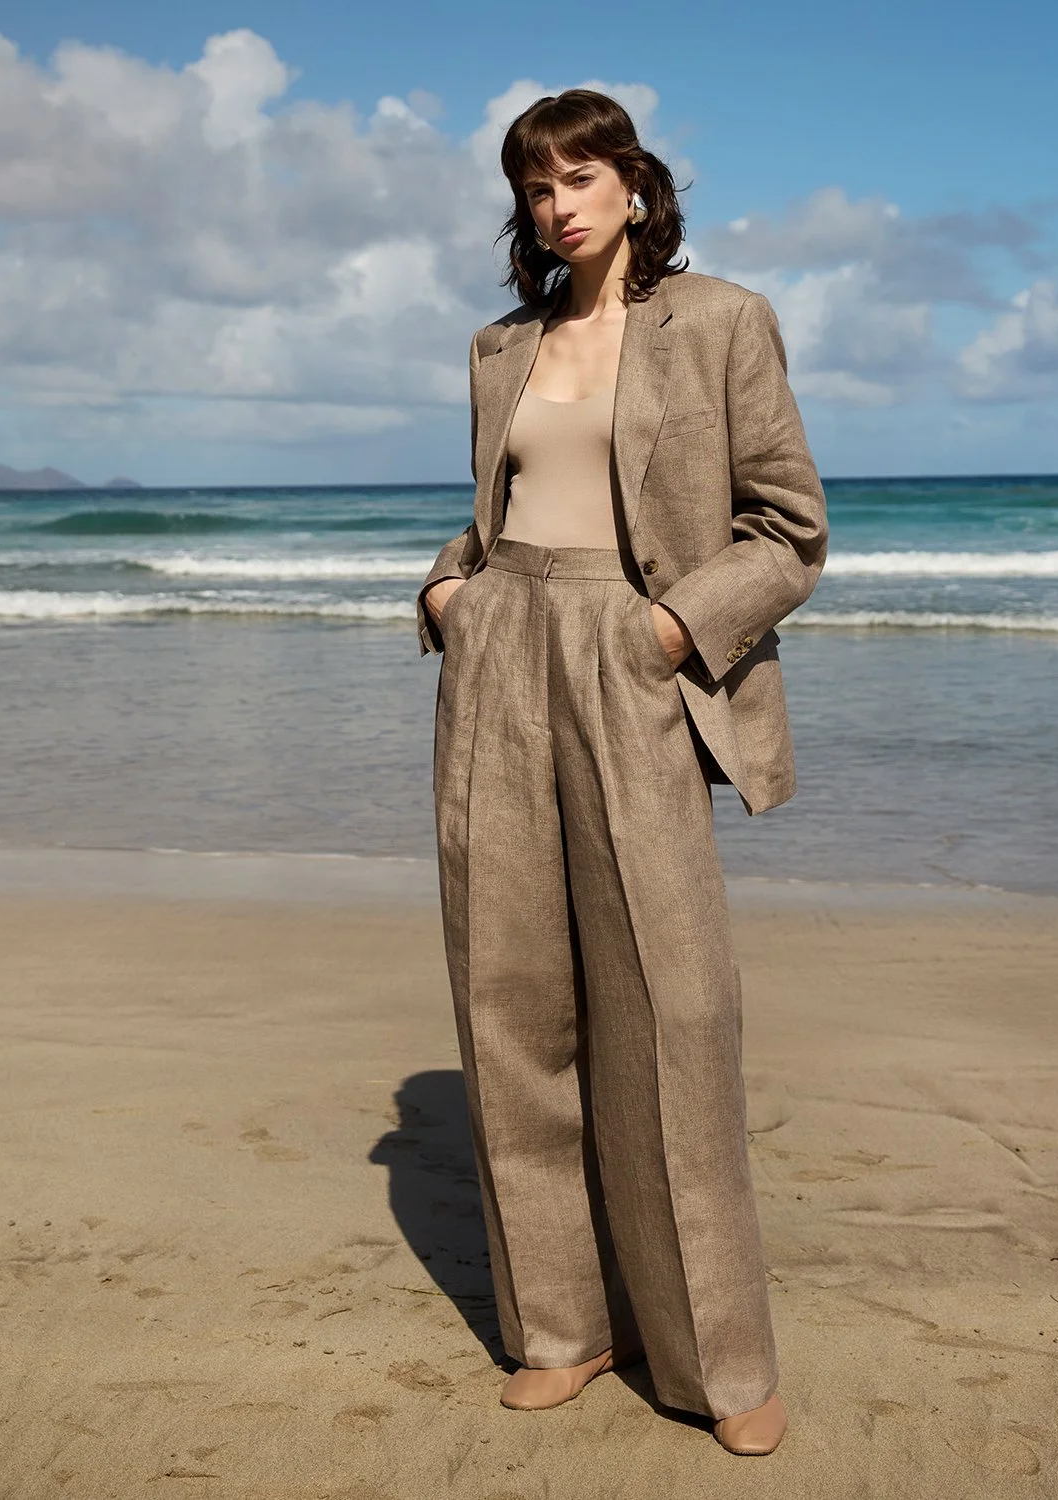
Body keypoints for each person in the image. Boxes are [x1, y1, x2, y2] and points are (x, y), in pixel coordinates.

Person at [414, 88, 828, 1456]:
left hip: (634, 654)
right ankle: (562, 1328)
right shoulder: (501, 346)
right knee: (509, 999)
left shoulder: (720, 322)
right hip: (499, 656)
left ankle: (719, 1360)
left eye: (580, 178)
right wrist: (447, 591)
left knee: (673, 1005)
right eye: (536, 188)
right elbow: (493, 514)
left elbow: (789, 530)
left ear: (635, 185)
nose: (559, 206)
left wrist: (666, 630)